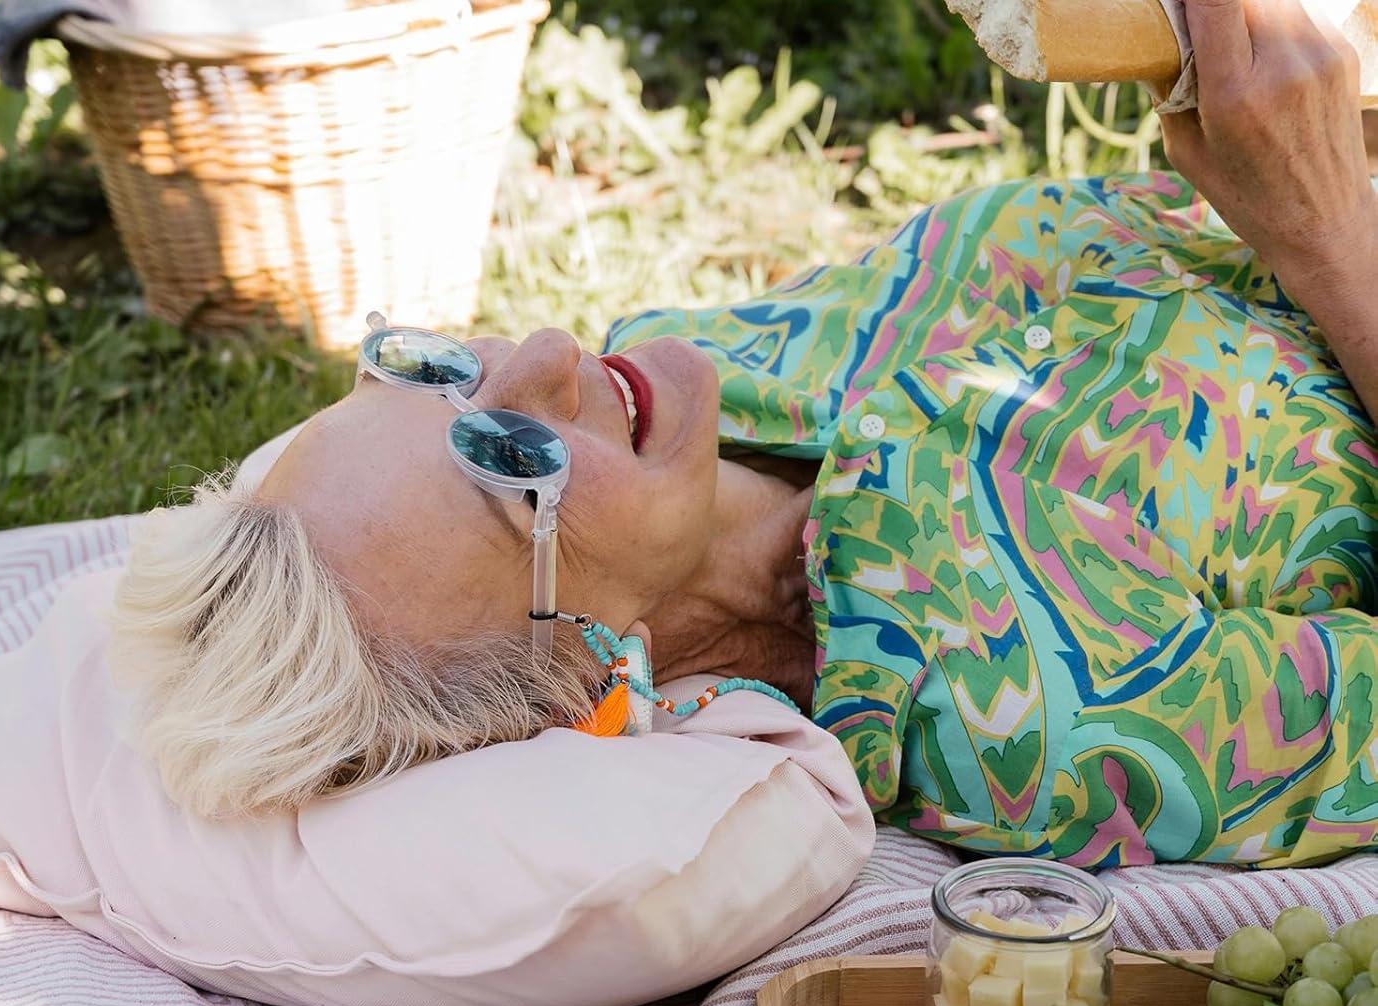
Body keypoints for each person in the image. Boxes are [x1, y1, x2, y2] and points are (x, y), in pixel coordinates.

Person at [110, 0, 1378, 868]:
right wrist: (1327, 229)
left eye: (439, 373)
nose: (549, 355)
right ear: (591, 687)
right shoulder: (1030, 714)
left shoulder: (714, 374)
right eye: (511, 465)